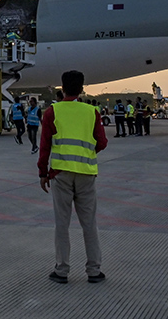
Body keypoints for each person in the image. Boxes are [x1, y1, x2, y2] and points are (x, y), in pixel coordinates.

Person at [38, 70, 107, 284]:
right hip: (86, 174)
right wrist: (86, 154)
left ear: (62, 88)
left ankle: (62, 270)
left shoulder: (52, 112)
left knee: (62, 224)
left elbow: (45, 146)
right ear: (82, 88)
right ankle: (94, 270)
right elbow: (102, 142)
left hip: (60, 174)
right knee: (89, 224)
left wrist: (43, 173)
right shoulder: (91, 111)